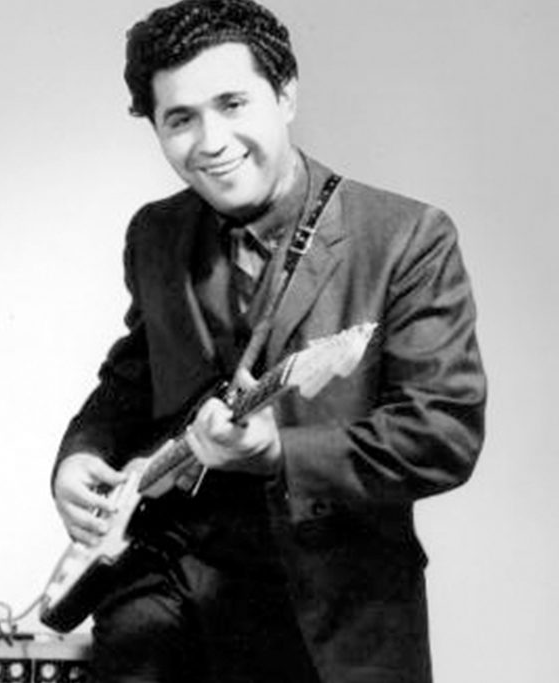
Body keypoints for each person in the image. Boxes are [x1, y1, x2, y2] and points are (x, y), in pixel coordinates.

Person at [49, 1, 487, 681]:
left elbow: (442, 434)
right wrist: (82, 453)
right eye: (180, 119)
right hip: (167, 605)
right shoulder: (155, 233)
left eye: (232, 104)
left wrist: (281, 452)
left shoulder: (407, 237)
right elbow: (136, 376)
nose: (211, 141)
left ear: (285, 95)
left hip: (332, 619)